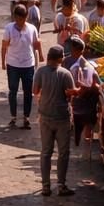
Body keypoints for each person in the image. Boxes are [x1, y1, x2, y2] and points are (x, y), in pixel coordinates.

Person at [33, 46, 76, 196]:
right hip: (62, 117)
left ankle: (46, 186)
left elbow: (35, 91)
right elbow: (70, 94)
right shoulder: (65, 74)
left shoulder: (40, 72)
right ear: (60, 59)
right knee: (63, 152)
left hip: (45, 116)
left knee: (46, 152)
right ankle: (61, 185)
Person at [1, 2, 42, 129]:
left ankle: (26, 117)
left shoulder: (32, 29)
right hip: (13, 64)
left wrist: (40, 56)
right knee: (12, 91)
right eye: (18, 18)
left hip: (28, 64)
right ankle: (13, 116)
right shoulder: (8, 28)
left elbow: (36, 44)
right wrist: (3, 61)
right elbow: (4, 46)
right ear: (15, 17)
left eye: (23, 18)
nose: (20, 21)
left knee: (28, 92)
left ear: (26, 17)